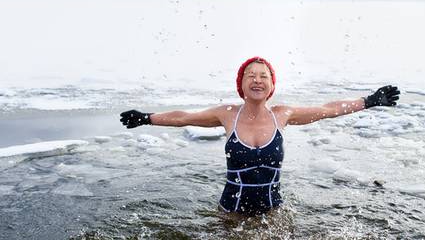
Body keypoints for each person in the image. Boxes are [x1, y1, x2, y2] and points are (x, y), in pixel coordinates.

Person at [120, 56, 400, 216]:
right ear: (241, 85)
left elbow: (327, 110)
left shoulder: (282, 115)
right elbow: (184, 118)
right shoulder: (228, 114)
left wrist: (369, 100)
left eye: (263, 76)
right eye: (250, 75)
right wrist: (147, 118)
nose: (257, 79)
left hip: (273, 213)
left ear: (271, 86)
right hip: (230, 213)